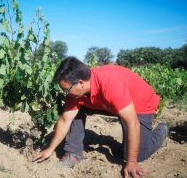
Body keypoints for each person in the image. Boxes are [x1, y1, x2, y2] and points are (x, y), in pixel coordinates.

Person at [33, 57, 168, 178]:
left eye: (66, 89)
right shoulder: (76, 92)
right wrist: (50, 149)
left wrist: (132, 162)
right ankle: (73, 152)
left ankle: (162, 130)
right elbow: (65, 120)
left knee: (137, 154)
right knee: (74, 109)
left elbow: (132, 123)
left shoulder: (110, 84)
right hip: (110, 104)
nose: (65, 93)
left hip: (139, 104)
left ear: (81, 83)